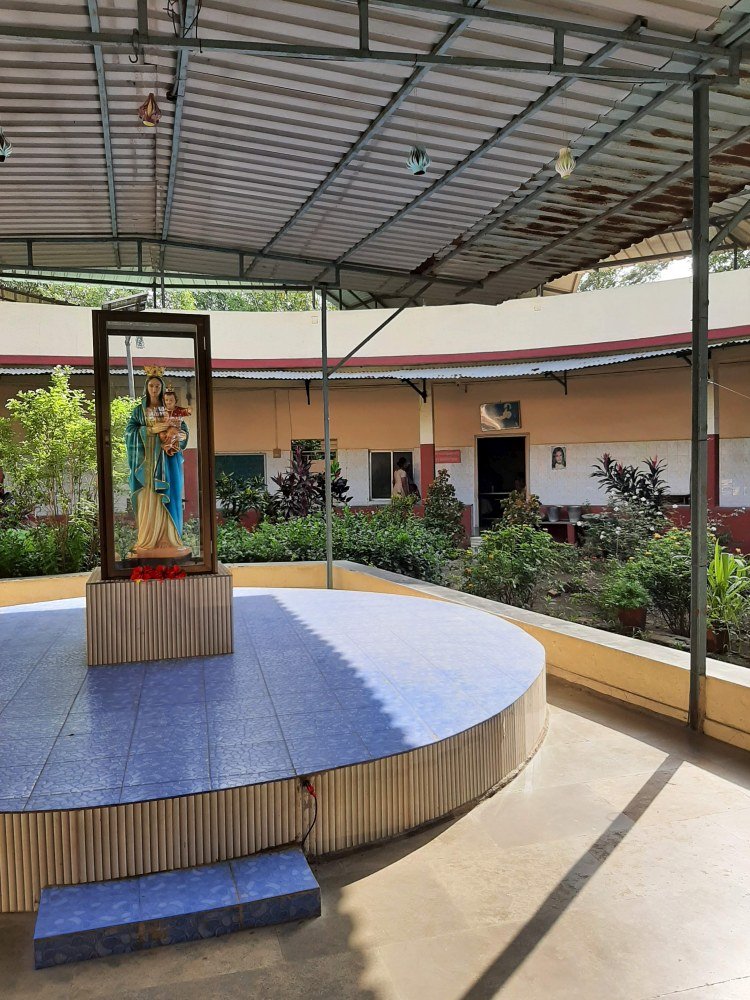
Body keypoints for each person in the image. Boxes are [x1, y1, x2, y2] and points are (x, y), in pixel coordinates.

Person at [125, 370, 190, 558]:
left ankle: (168, 538)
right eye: (151, 386)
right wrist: (150, 430)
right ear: (146, 387)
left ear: (162, 389)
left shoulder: (168, 408)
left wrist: (177, 436)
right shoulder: (139, 411)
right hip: (146, 464)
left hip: (166, 462)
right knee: (149, 497)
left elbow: (182, 429)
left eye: (158, 386)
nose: (154, 389)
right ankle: (148, 539)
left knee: (167, 495)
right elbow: (129, 432)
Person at [160, 387, 191, 456]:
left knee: (173, 432)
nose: (169, 402)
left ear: (175, 400)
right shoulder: (161, 411)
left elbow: (187, 412)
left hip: (176, 430)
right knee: (162, 435)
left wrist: (189, 409)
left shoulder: (179, 410)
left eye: (171, 400)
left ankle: (171, 448)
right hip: (165, 431)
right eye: (166, 400)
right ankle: (167, 447)